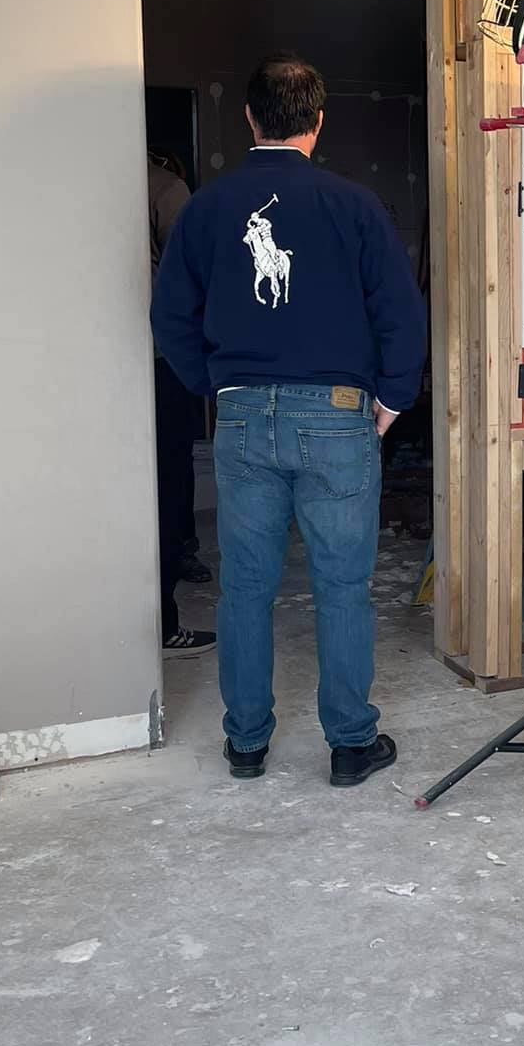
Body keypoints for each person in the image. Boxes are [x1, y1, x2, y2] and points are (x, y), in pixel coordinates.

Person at [151, 55, 427, 787]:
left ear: (249, 119)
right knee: (343, 586)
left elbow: (168, 315)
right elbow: (401, 315)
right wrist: (392, 401)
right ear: (319, 121)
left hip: (242, 413)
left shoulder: (208, 207)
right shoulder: (356, 205)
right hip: (337, 417)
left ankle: (245, 745)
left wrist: (215, 385)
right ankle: (348, 746)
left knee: (245, 589)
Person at [148, 154, 214, 657]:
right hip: (158, 362)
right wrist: (199, 373)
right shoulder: (167, 188)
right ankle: (165, 625)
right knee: (170, 479)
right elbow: (190, 282)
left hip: (105, 366)